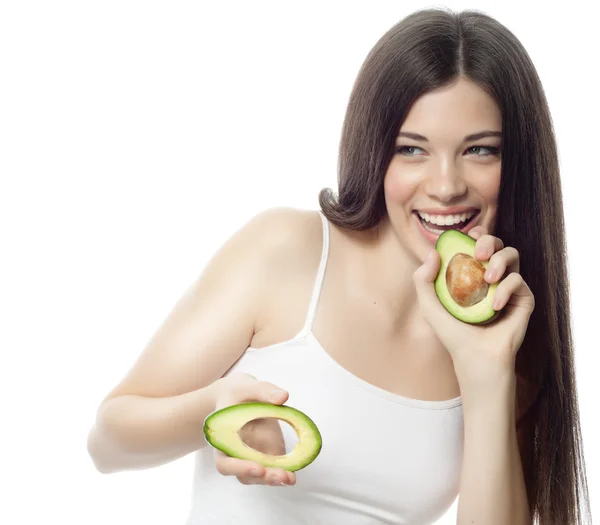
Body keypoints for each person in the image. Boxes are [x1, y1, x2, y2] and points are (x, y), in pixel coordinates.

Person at [86, 7, 592, 525]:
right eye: (411, 149)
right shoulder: (286, 250)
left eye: (480, 150)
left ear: (520, 166)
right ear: (376, 151)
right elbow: (107, 442)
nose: (445, 186)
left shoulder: (510, 338)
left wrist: (486, 372)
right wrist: (212, 410)